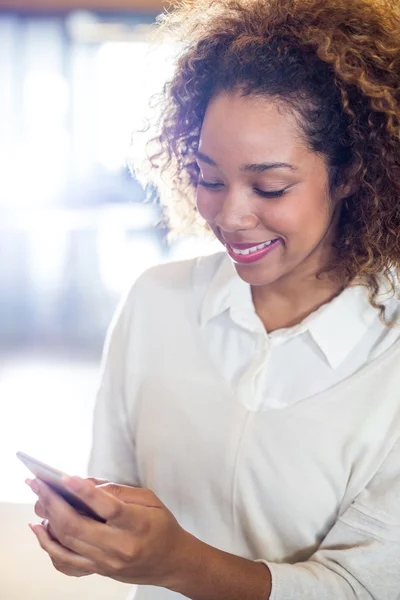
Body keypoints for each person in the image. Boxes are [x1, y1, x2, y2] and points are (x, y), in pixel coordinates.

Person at [26, 0, 400, 599]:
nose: (229, 216)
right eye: (208, 177)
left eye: (270, 185)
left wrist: (178, 563)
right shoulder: (156, 304)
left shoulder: (388, 358)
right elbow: (115, 492)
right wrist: (92, 541)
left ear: (352, 170)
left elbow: (365, 587)